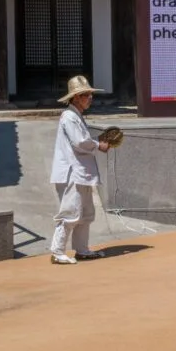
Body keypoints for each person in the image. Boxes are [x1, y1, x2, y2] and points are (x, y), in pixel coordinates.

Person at [49, 75, 109, 265]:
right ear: (75, 98)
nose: (90, 98)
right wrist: (98, 144)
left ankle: (82, 249)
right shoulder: (69, 116)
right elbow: (79, 142)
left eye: (90, 94)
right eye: (85, 95)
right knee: (71, 211)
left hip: (81, 172)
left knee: (85, 213)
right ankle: (57, 250)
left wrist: (97, 143)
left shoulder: (76, 116)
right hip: (72, 173)